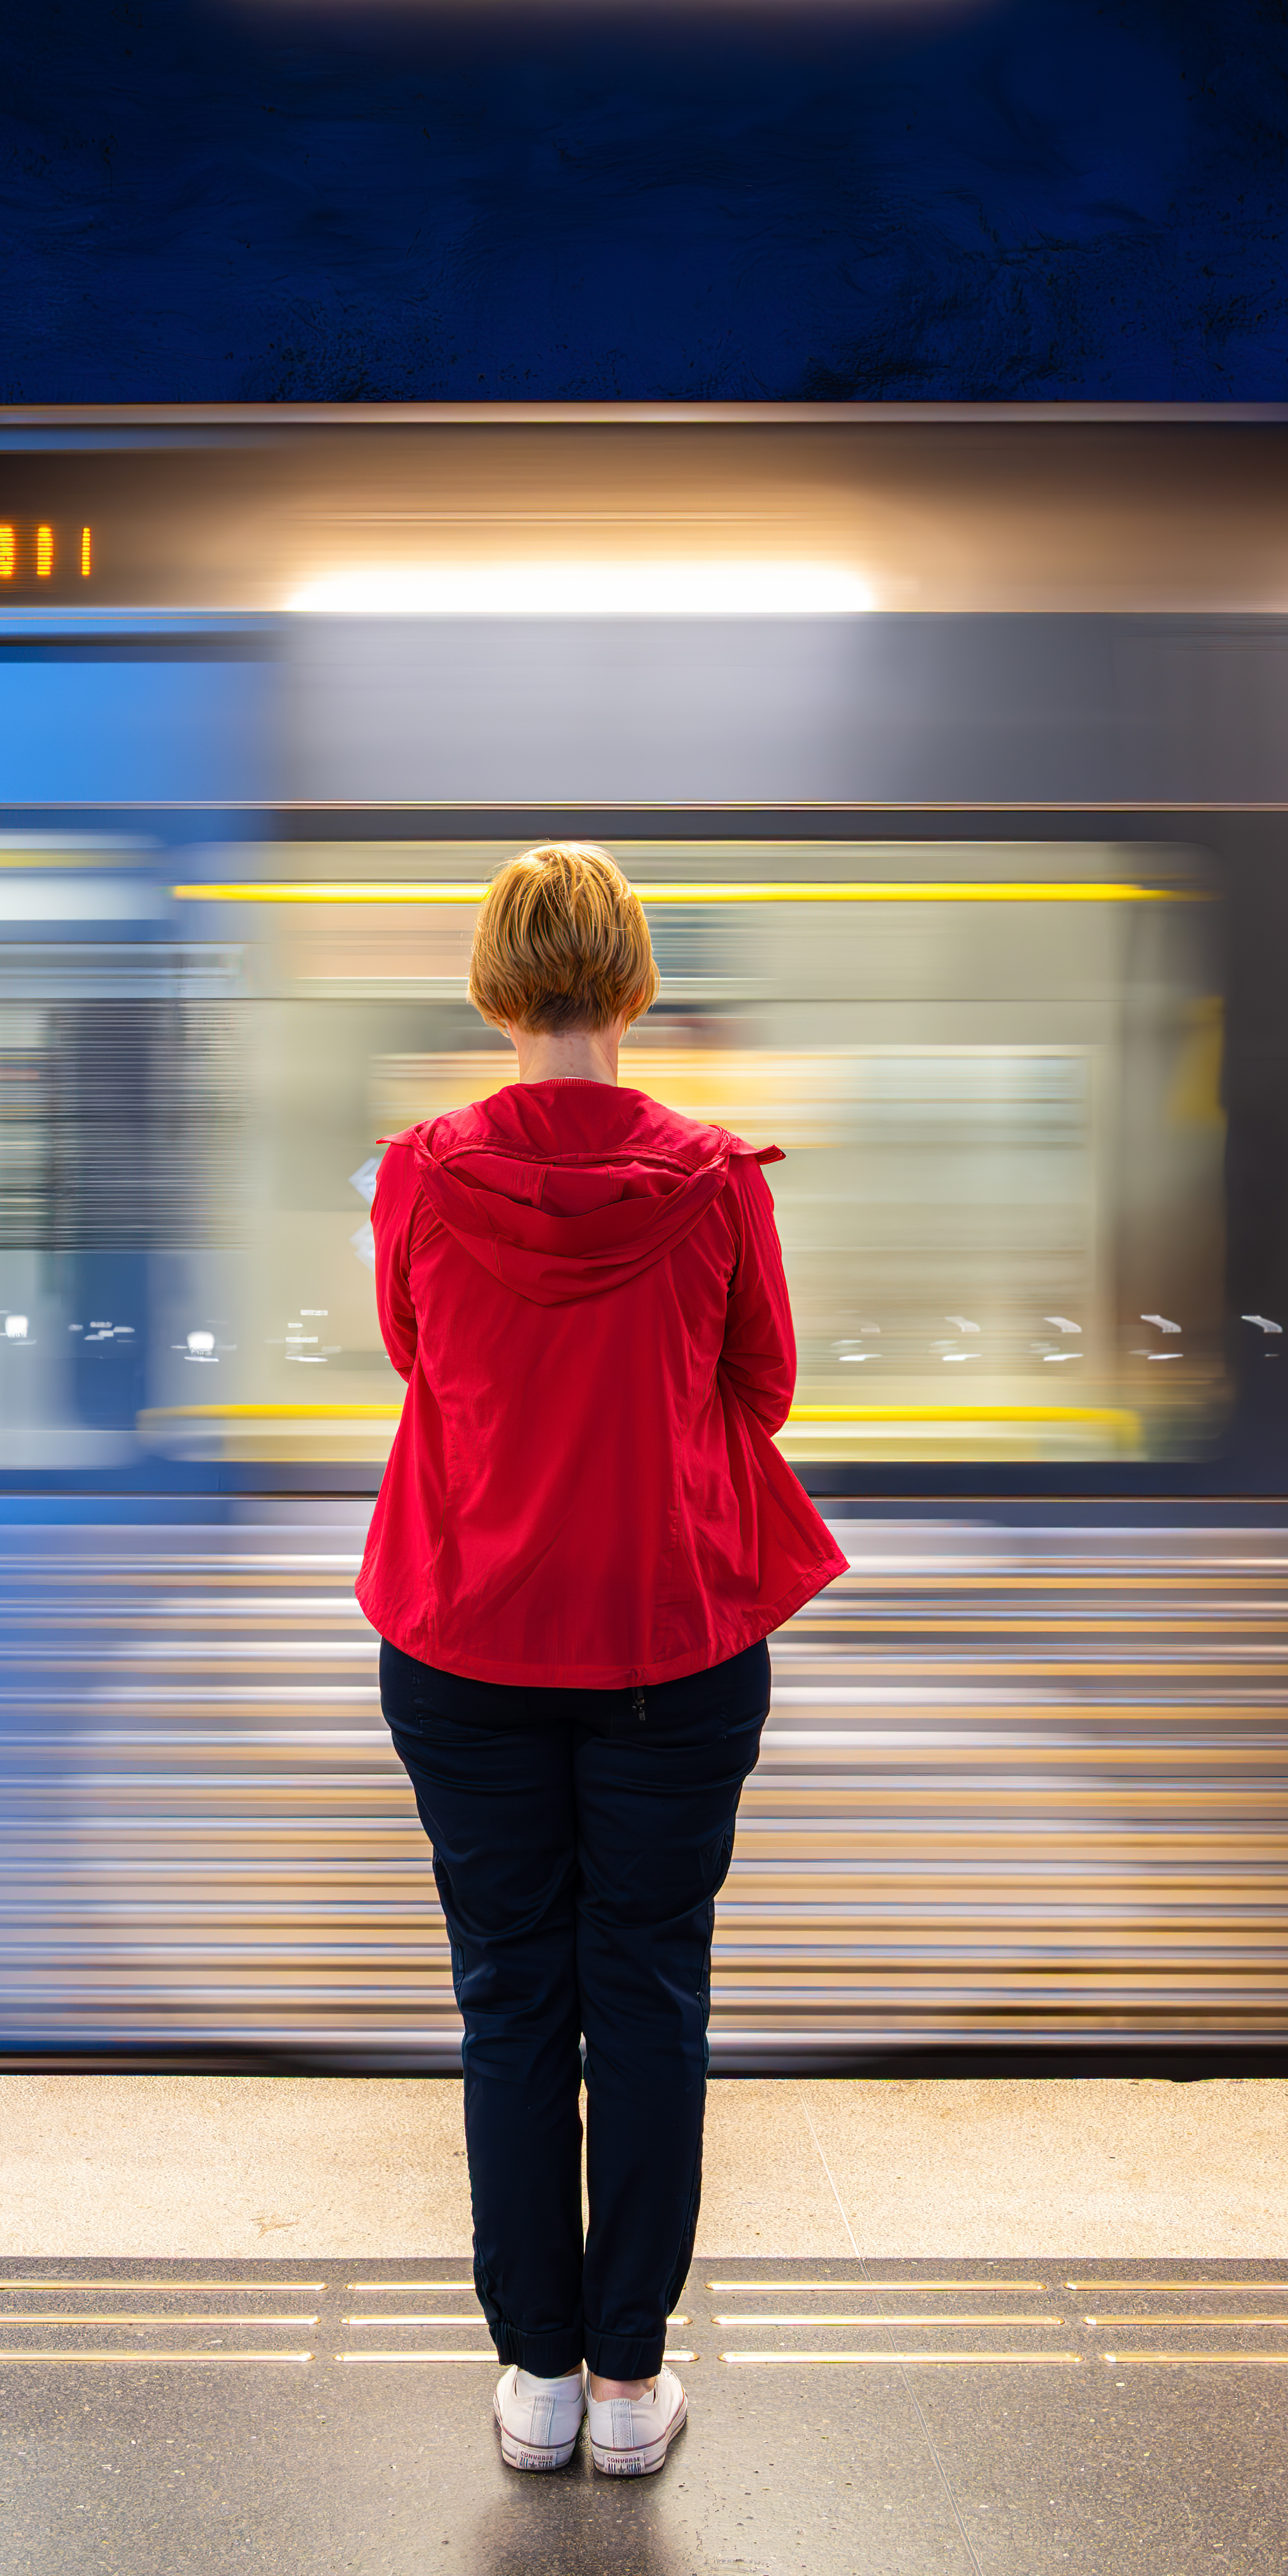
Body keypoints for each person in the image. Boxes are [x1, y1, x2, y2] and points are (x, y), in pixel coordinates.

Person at [363, 843, 847, 2479]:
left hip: (468, 1633)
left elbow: (422, 1361)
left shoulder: (421, 1175)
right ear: (631, 980)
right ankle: (633, 2388)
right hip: (669, 1638)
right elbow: (763, 1390)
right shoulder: (714, 1179)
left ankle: (538, 2380)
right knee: (645, 1991)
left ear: (495, 983)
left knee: (509, 1996)